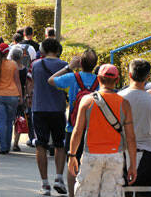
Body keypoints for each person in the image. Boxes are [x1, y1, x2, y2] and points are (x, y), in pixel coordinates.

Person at [68, 64, 138, 197]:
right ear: (117, 81)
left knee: (86, 193)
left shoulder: (87, 101)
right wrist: (133, 165)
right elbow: (131, 138)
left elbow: (77, 131)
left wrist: (72, 155)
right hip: (115, 156)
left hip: (91, 154)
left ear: (98, 79)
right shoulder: (124, 104)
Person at [48, 50, 99, 197]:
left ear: (80, 63)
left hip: (73, 127)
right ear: (95, 64)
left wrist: (69, 67)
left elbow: (51, 80)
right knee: (90, 165)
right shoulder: (99, 80)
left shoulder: (72, 77)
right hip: (93, 129)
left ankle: (72, 195)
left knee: (72, 163)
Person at [28, 38, 68, 196]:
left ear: (42, 49)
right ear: (58, 50)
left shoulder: (35, 65)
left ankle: (45, 184)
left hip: (39, 108)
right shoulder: (65, 65)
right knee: (60, 144)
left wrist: (28, 96)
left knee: (41, 145)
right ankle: (59, 177)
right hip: (58, 109)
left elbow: (30, 84)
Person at [118, 59, 151, 191]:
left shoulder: (118, 98)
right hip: (149, 154)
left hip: (121, 152)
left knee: (123, 190)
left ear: (129, 74)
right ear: (148, 77)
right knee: (145, 191)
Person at [0, 43, 22, 155]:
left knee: (1, 121)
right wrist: (20, 96)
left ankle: (3, 147)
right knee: (9, 121)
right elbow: (17, 81)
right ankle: (7, 145)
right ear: (8, 52)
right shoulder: (13, 64)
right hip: (12, 95)